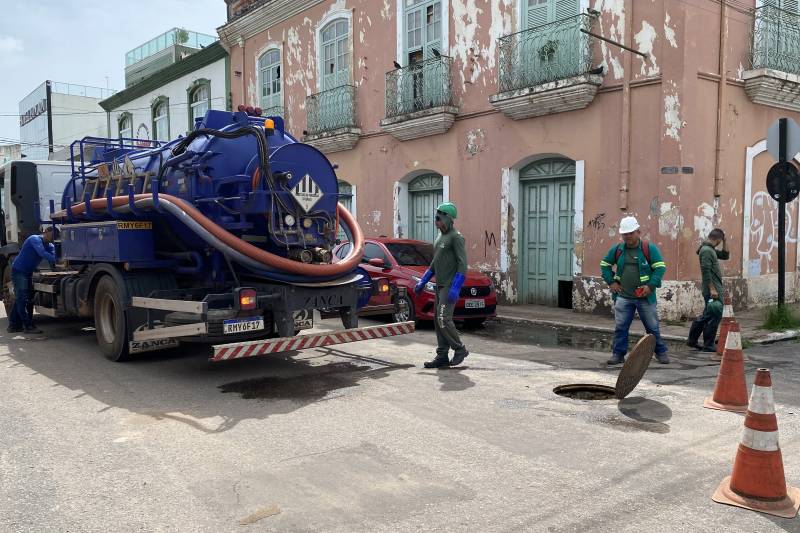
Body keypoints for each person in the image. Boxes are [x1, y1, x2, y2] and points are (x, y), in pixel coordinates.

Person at [600, 216, 670, 365]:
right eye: (625, 234)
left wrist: (650, 286)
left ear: (638, 232)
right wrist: (611, 282)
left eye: (631, 233)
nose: (628, 236)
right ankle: (618, 354)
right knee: (621, 327)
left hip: (645, 297)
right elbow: (604, 265)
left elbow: (660, 268)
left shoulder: (648, 249)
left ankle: (660, 352)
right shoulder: (617, 250)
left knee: (652, 327)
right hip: (623, 297)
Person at [414, 202, 469, 368]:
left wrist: (456, 287)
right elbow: (434, 263)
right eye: (435, 218)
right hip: (439, 285)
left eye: (439, 218)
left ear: (449, 219)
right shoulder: (439, 237)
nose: (436, 221)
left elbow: (462, 263)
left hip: (449, 286)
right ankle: (442, 356)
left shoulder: (456, 237)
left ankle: (460, 349)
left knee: (444, 318)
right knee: (438, 322)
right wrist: (423, 280)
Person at [8, 226, 57, 334]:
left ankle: (13, 325)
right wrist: (59, 259)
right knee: (22, 299)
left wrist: (59, 258)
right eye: (53, 235)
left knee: (26, 298)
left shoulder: (50, 245)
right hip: (19, 271)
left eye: (56, 236)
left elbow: (54, 255)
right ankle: (28, 326)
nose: (53, 238)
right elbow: (42, 253)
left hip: (28, 272)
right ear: (46, 232)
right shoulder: (34, 239)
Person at [687, 228, 729, 352]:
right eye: (721, 241)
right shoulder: (706, 251)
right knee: (714, 313)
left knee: (709, 313)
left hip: (715, 288)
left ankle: (693, 340)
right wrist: (712, 289)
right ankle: (707, 344)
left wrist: (725, 241)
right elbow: (705, 271)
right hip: (712, 289)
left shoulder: (710, 250)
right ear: (717, 240)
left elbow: (725, 255)